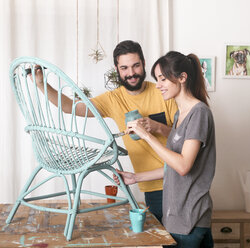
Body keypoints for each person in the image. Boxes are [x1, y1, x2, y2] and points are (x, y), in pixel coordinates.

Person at [31, 40, 178, 222]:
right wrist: (40, 84)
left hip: (178, 182)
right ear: (117, 69)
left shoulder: (163, 91)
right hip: (150, 186)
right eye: (124, 68)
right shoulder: (112, 99)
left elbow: (185, 140)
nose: (131, 73)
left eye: (135, 66)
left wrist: (157, 126)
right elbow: (69, 107)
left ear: (144, 64)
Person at [114, 51, 216, 247]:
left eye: (163, 79)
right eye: (157, 79)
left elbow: (183, 166)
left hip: (191, 218)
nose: (158, 85)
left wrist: (146, 135)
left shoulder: (199, 113)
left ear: (182, 78)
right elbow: (172, 167)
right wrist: (135, 178)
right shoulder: (180, 116)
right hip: (177, 217)